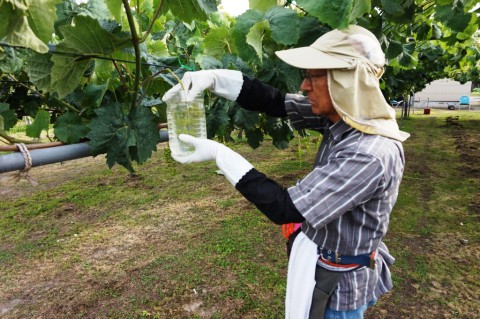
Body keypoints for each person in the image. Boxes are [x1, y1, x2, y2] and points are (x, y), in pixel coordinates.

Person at [162, 25, 409, 319]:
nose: (304, 86)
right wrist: (214, 79)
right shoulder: (344, 120)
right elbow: (276, 102)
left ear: (346, 82)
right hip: (327, 262)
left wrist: (221, 155)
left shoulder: (367, 153)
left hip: (340, 285)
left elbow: (285, 207)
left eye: (312, 77)